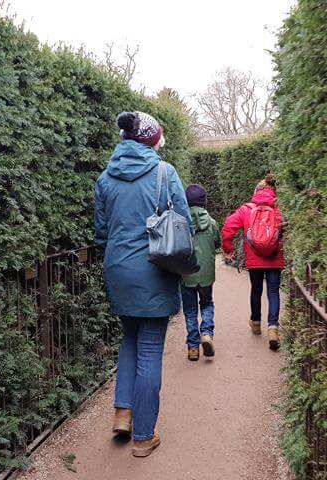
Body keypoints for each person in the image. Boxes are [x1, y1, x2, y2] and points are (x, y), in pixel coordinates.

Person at [94, 111, 193, 457]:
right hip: (153, 269)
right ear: (151, 140)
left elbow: (101, 233)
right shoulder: (165, 172)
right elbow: (185, 222)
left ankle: (123, 412)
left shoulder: (106, 177)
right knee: (150, 348)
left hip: (118, 270)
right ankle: (144, 436)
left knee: (129, 337)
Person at [222, 174, 285, 350]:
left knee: (256, 289)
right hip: (274, 257)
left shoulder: (246, 210)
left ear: (256, 192)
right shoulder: (279, 209)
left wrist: (228, 250)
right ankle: (273, 327)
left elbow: (228, 228)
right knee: (273, 291)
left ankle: (256, 322)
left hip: (254, 259)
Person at [180, 184, 222, 361]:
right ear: (204, 201)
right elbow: (217, 243)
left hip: (186, 274)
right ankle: (206, 333)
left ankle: (193, 348)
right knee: (206, 304)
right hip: (206, 275)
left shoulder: (180, 223)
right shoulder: (211, 223)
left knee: (190, 310)